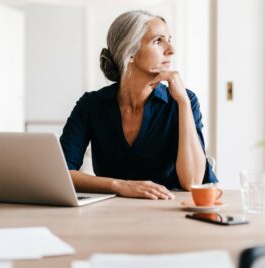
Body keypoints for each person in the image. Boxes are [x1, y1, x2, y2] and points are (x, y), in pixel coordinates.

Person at [60, 10, 218, 200]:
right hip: (111, 216)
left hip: (172, 212)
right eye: (158, 41)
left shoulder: (184, 100)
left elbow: (192, 182)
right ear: (131, 53)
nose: (171, 49)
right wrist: (119, 185)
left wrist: (183, 102)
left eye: (169, 39)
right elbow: (61, 173)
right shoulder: (91, 105)